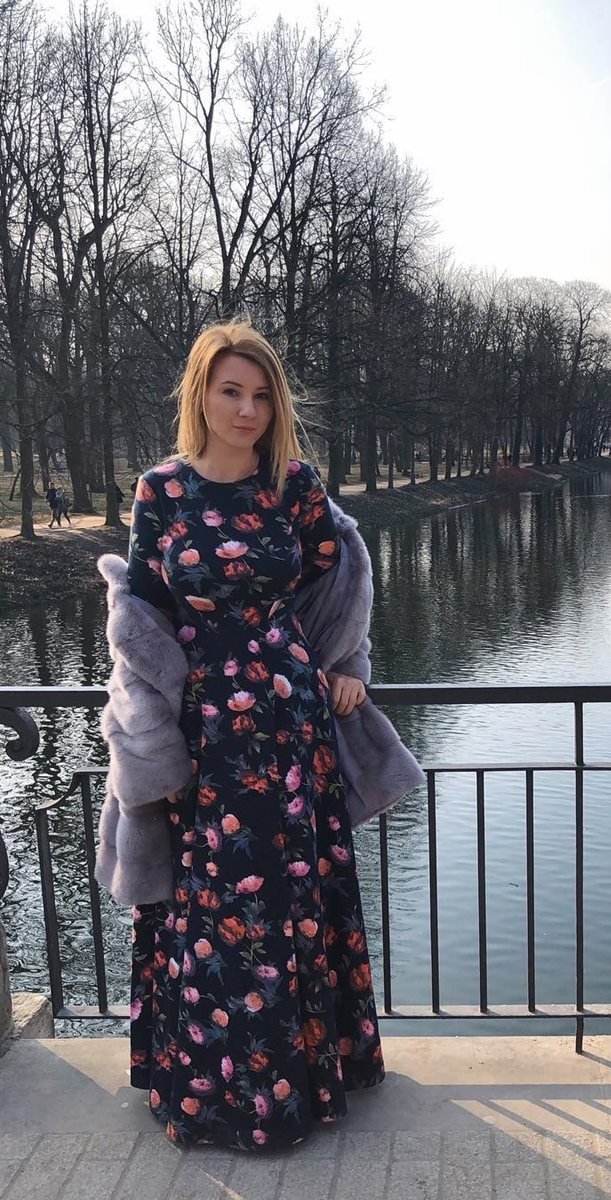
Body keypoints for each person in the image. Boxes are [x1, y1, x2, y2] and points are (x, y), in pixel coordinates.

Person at [120, 320, 385, 1149]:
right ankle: (212, 1095)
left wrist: (348, 663)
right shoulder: (161, 491)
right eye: (231, 391)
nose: (247, 410)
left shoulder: (294, 485)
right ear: (200, 392)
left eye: (263, 396)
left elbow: (341, 580)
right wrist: (145, 738)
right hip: (202, 726)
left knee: (289, 897)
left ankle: (299, 1087)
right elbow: (138, 618)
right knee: (208, 902)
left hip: (288, 721)